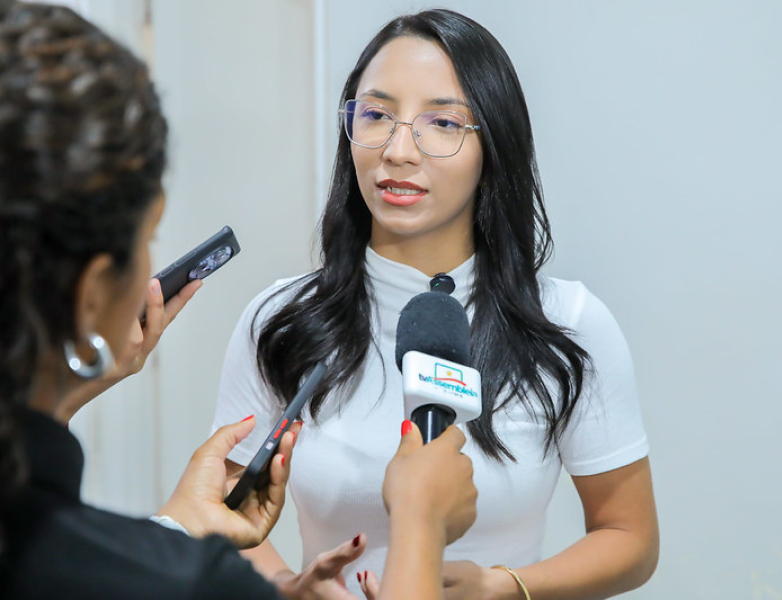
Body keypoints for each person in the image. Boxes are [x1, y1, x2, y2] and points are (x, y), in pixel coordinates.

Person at [0, 3, 476, 599]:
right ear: (93, 293)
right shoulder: (175, 582)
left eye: (444, 123)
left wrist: (178, 523)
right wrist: (420, 522)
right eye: (149, 238)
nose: (401, 150)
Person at [213, 8, 659, 600]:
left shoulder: (569, 324)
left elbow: (630, 536)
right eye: (376, 115)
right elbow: (221, 514)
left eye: (442, 124)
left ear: (493, 145)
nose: (398, 150)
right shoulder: (282, 320)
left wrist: (507, 587)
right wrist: (285, 589)